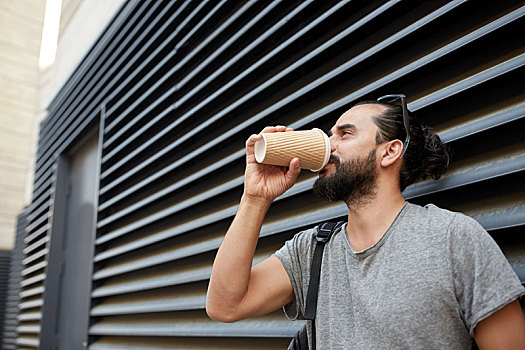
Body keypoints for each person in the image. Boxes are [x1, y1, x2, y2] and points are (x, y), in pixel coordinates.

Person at [206, 96, 525, 349]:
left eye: (344, 134)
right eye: (330, 135)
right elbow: (225, 306)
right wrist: (254, 198)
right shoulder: (313, 250)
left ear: (390, 152)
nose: (329, 145)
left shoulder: (452, 238)